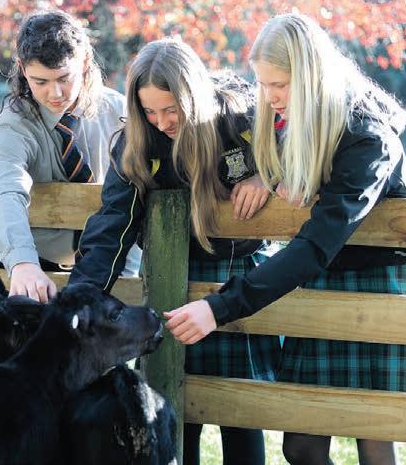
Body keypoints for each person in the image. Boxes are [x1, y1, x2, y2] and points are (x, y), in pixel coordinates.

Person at [165, 13, 406, 465]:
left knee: (374, 432)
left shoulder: (367, 137)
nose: (269, 96)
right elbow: (283, 156)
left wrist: (218, 307)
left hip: (373, 283)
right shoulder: (292, 120)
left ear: (313, 77)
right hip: (318, 278)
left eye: (279, 85)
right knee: (301, 446)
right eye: (263, 84)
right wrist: (268, 173)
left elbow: (316, 243)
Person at [69, 37, 281, 465]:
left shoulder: (240, 118)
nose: (161, 121)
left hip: (238, 275)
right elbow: (112, 226)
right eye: (149, 111)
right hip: (173, 280)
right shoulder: (136, 146)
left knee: (240, 412)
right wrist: (78, 298)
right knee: (173, 403)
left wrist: (268, 175)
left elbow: (294, 147)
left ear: (192, 96)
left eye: (171, 109)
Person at [0, 10, 140, 303]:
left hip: (109, 267)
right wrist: (22, 262)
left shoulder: (121, 114)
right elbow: (6, 192)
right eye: (40, 81)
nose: (54, 93)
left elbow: (135, 196)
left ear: (84, 61)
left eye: (64, 78)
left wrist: (127, 274)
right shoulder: (11, 126)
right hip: (33, 268)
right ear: (22, 69)